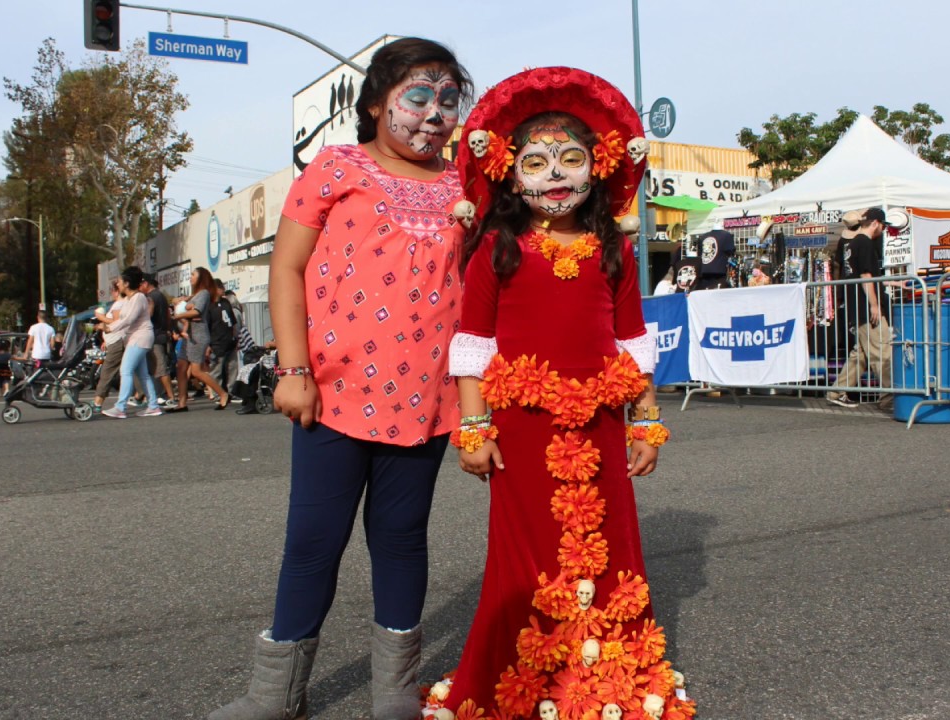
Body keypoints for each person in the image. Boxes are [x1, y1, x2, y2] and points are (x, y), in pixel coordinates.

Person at [208, 37, 472, 720]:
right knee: (314, 540)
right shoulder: (337, 165)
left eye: (449, 99)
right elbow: (286, 269)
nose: (434, 112)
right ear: (379, 102)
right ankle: (275, 696)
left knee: (402, 537)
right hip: (331, 392)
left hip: (428, 399)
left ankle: (393, 693)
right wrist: (292, 370)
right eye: (418, 95)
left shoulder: (465, 185)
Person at [432, 66, 692, 718]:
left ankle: (606, 684)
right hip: (521, 432)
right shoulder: (498, 246)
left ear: (598, 168)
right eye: (538, 162)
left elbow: (634, 341)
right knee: (525, 559)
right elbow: (472, 344)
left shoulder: (611, 248)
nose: (555, 175)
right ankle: (530, 688)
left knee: (611, 550)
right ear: (511, 174)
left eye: (571, 160)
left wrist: (645, 422)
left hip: (603, 425)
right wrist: (472, 428)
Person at [827, 207, 892, 410]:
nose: (883, 229)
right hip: (866, 305)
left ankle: (837, 390)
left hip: (856, 304)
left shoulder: (851, 244)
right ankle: (891, 397)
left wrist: (893, 284)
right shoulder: (864, 243)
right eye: (883, 225)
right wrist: (874, 305)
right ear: (876, 223)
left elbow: (859, 274)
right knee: (882, 351)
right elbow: (866, 276)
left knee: (861, 354)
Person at [101, 266, 164, 419]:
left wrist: (110, 328)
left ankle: (120, 407)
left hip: (140, 338)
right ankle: (153, 406)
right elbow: (124, 318)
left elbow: (129, 319)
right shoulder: (130, 299)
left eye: (120, 282)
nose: (118, 284)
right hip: (136, 338)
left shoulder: (138, 298)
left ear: (127, 283)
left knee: (125, 370)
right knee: (143, 374)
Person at [167, 267, 229, 412]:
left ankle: (222, 393)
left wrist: (179, 316)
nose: (190, 277)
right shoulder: (196, 294)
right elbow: (187, 306)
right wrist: (181, 302)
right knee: (181, 368)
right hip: (189, 336)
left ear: (201, 278)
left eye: (193, 275)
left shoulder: (204, 293)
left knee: (196, 371)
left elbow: (197, 311)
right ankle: (182, 403)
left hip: (198, 336)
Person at [139, 273, 176, 405]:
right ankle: (158, 395)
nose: (139, 287)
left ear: (146, 283)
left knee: (160, 369)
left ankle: (171, 397)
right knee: (155, 368)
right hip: (160, 335)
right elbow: (167, 315)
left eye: (140, 284)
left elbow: (148, 315)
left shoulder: (151, 297)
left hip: (155, 336)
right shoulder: (160, 295)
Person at [92, 281, 127, 412]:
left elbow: (117, 322)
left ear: (117, 291)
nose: (111, 294)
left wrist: (101, 318)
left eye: (112, 290)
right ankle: (148, 397)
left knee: (107, 371)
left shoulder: (119, 304)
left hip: (117, 342)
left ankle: (98, 401)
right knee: (135, 371)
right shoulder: (122, 304)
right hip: (117, 340)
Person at [206, 278, 239, 400]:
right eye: (220, 288)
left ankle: (232, 391)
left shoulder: (226, 303)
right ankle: (217, 393)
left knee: (232, 368)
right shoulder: (209, 306)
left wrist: (236, 337)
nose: (222, 290)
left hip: (230, 341)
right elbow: (207, 326)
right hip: (216, 343)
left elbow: (233, 322)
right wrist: (208, 345)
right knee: (216, 370)